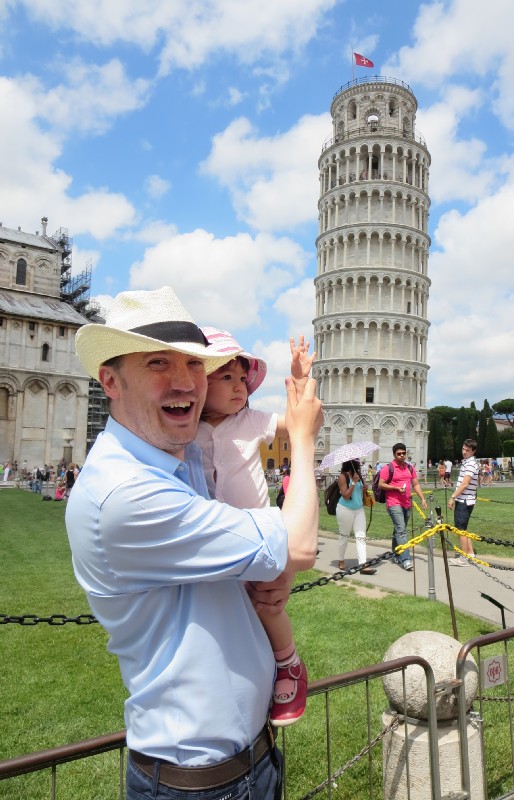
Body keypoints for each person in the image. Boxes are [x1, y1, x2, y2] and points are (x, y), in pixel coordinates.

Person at [65, 286, 323, 800]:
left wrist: (272, 575)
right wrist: (303, 438)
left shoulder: (177, 460)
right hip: (199, 784)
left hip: (249, 761)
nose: (185, 381)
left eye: (195, 364)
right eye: (158, 363)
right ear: (110, 381)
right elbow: (298, 544)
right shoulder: (126, 493)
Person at [194, 326, 314, 727]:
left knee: (267, 603)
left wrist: (299, 380)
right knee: (225, 611)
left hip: (259, 531)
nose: (239, 387)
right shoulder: (186, 428)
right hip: (214, 536)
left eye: (243, 379)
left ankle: (289, 662)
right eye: (226, 377)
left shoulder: (251, 420)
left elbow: (301, 423)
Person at [377, 443, 427, 571]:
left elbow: (415, 484)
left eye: (403, 453)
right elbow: (381, 484)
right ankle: (406, 559)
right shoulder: (388, 468)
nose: (401, 455)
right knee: (401, 530)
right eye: (399, 454)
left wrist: (422, 498)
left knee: (399, 529)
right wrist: (395, 488)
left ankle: (395, 554)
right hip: (393, 502)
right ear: (394, 454)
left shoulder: (410, 468)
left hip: (407, 502)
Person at [336, 459, 376, 575]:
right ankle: (341, 560)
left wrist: (364, 489)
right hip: (345, 509)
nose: (359, 465)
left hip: (359, 510)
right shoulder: (343, 477)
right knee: (344, 535)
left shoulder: (358, 476)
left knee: (361, 536)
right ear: (351, 463)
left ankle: (363, 564)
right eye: (357, 462)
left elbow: (360, 493)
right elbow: (346, 495)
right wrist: (353, 482)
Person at [448, 439, 479, 566]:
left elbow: (465, 484)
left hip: (464, 500)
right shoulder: (468, 462)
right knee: (463, 528)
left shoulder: (470, 464)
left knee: (460, 529)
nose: (464, 452)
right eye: (463, 449)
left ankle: (464, 558)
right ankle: (470, 553)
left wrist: (453, 497)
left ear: (473, 451)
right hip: (465, 499)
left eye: (468, 450)